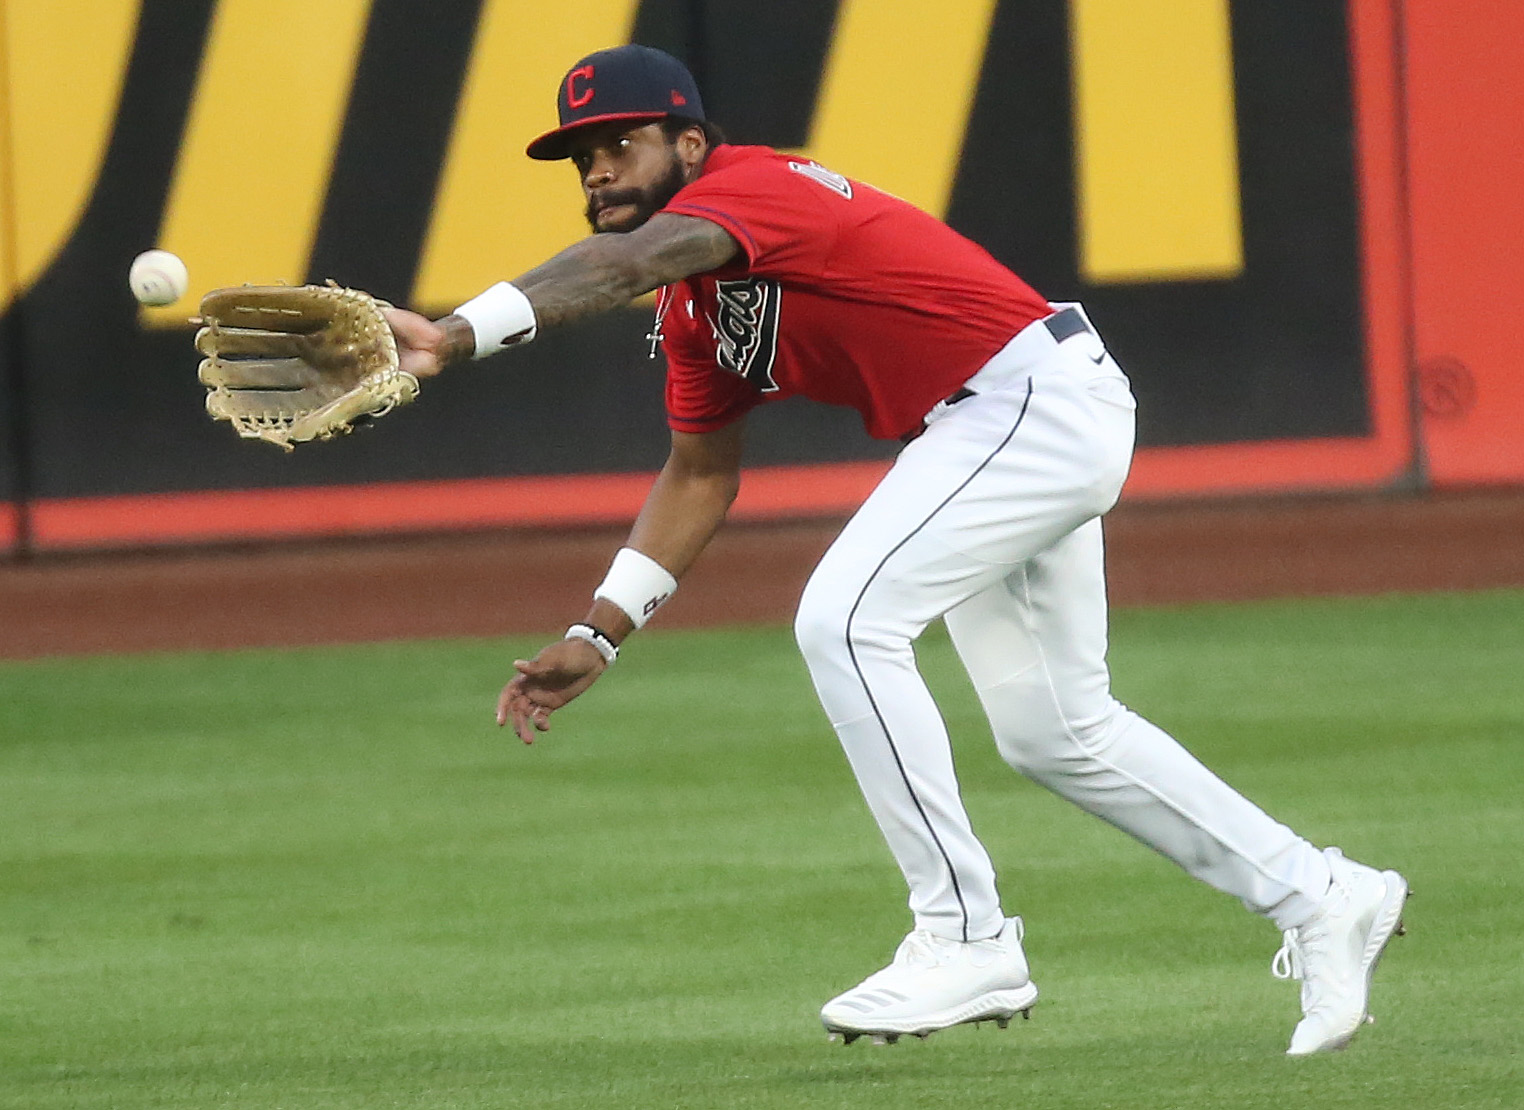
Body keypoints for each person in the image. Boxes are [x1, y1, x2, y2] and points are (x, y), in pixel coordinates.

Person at [384, 44, 1407, 1055]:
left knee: (845, 619)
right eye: (581, 157)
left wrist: (451, 334)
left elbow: (617, 264)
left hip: (1026, 401)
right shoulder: (695, 307)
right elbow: (699, 473)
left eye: (620, 143)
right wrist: (597, 635)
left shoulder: (759, 187)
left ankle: (965, 938)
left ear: (692, 144)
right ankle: (1322, 896)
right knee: (1055, 731)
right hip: (1002, 422)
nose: (598, 170)